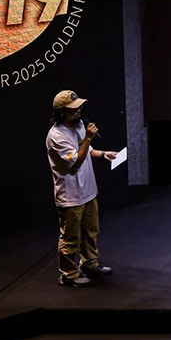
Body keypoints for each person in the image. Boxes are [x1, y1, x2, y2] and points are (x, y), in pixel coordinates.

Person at [47, 90, 117, 287]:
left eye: (79, 107)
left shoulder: (78, 125)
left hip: (88, 191)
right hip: (71, 196)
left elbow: (87, 151)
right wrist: (88, 138)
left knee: (91, 231)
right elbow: (76, 162)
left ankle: (89, 264)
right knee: (70, 238)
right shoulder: (56, 136)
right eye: (73, 109)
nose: (78, 111)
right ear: (61, 112)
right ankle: (68, 275)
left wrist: (103, 154)